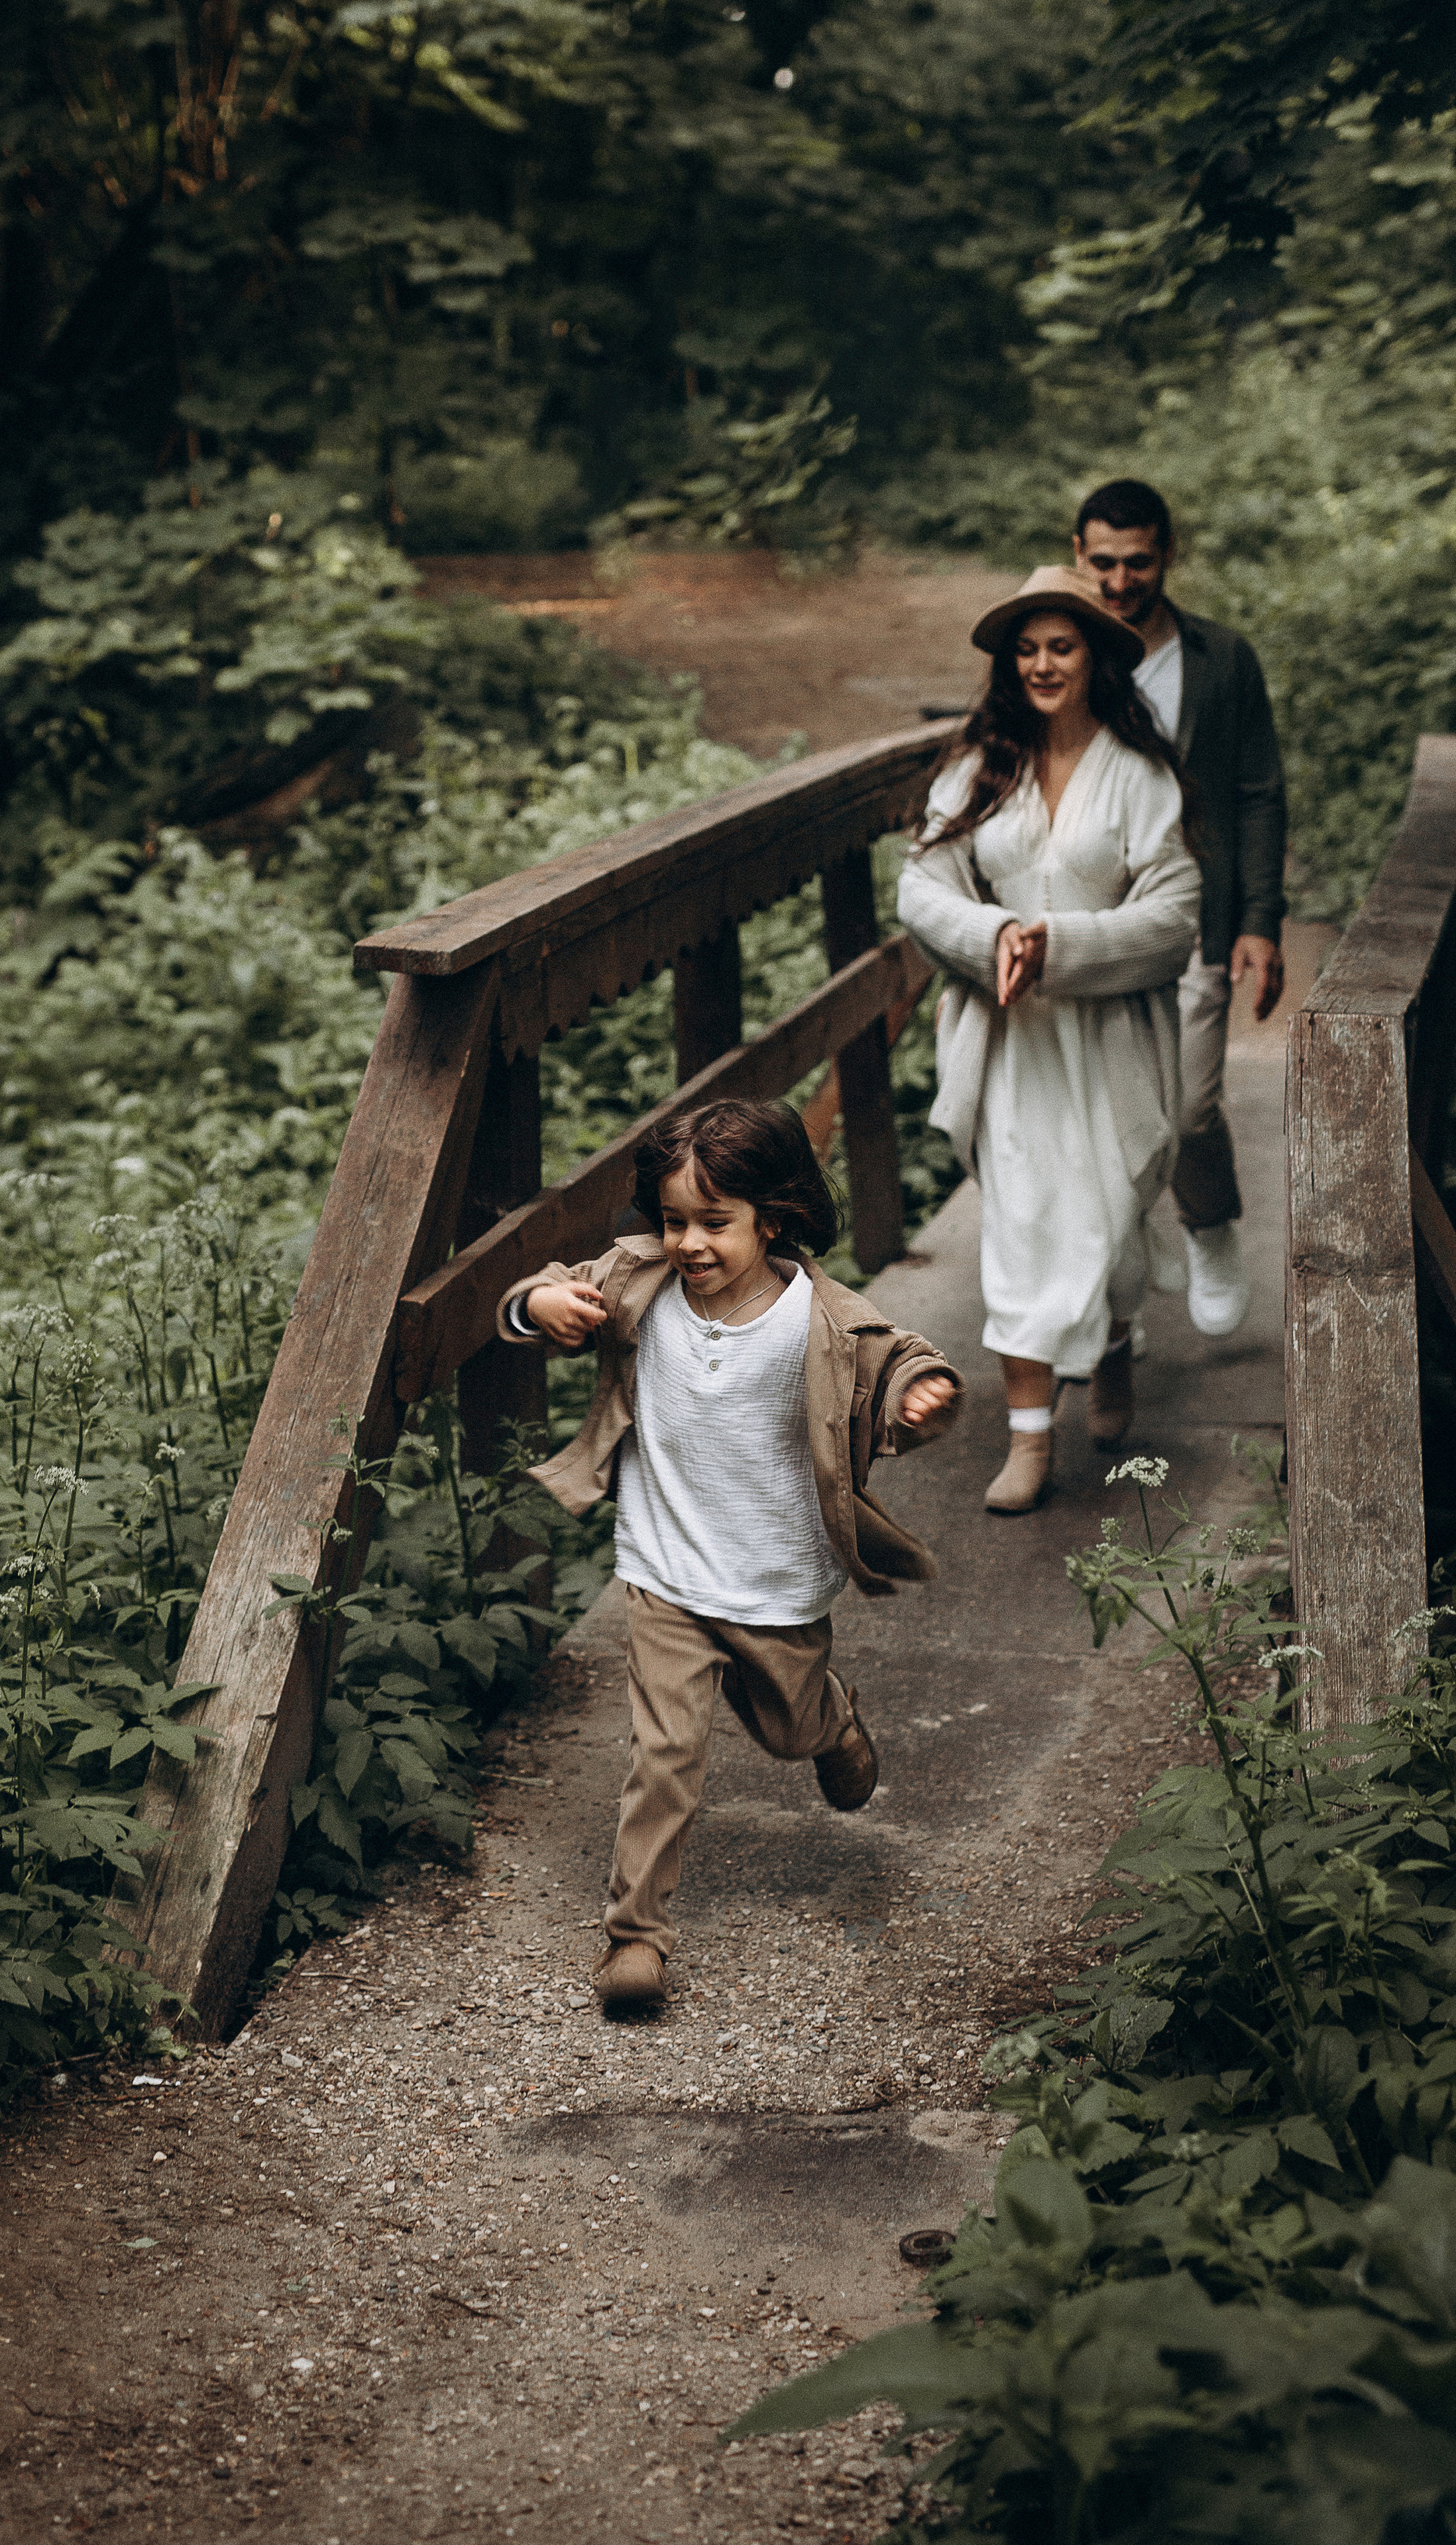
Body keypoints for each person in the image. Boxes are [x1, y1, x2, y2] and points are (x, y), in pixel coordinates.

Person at [496, 1098, 960, 2011]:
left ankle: (830, 1721)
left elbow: (898, 1361)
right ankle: (636, 1938)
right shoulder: (637, 1281)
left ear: (773, 1217)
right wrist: (540, 1303)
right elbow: (538, 1295)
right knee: (664, 1753)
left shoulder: (821, 1320)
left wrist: (921, 1393)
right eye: (674, 1221)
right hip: (664, 1566)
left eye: (715, 1221)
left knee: (787, 1732)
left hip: (775, 1574)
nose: (689, 1243)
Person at [896, 565, 1202, 1514]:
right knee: (1024, 1226)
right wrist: (993, 935)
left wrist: (1061, 945)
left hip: (1111, 1037)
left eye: (1060, 647)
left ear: (1096, 657)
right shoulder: (979, 770)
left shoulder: (1140, 776)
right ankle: (1030, 1436)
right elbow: (921, 888)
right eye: (1025, 650)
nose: (1041, 665)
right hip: (1011, 1041)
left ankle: (1113, 1347)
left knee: (1113, 1216)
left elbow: (1176, 913)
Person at [1074, 480, 1289, 1337]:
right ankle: (1115, 1292)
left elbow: (1259, 790)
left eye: (1138, 562)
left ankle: (1209, 1225)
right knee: (1101, 1110)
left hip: (1198, 907)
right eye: (1104, 562)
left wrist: (1261, 920)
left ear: (1167, 554)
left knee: (1190, 1105)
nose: (1120, 581)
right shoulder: (1062, 650)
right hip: (1093, 916)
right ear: (1079, 553)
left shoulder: (1221, 659)